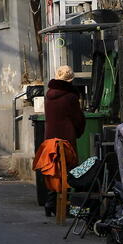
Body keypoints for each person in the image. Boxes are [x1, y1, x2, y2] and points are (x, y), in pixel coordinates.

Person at [40, 65, 85, 215]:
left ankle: (50, 202)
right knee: (68, 170)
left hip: (50, 138)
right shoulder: (71, 97)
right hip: (66, 138)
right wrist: (78, 131)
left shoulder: (49, 95)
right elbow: (77, 119)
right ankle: (64, 205)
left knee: (53, 170)